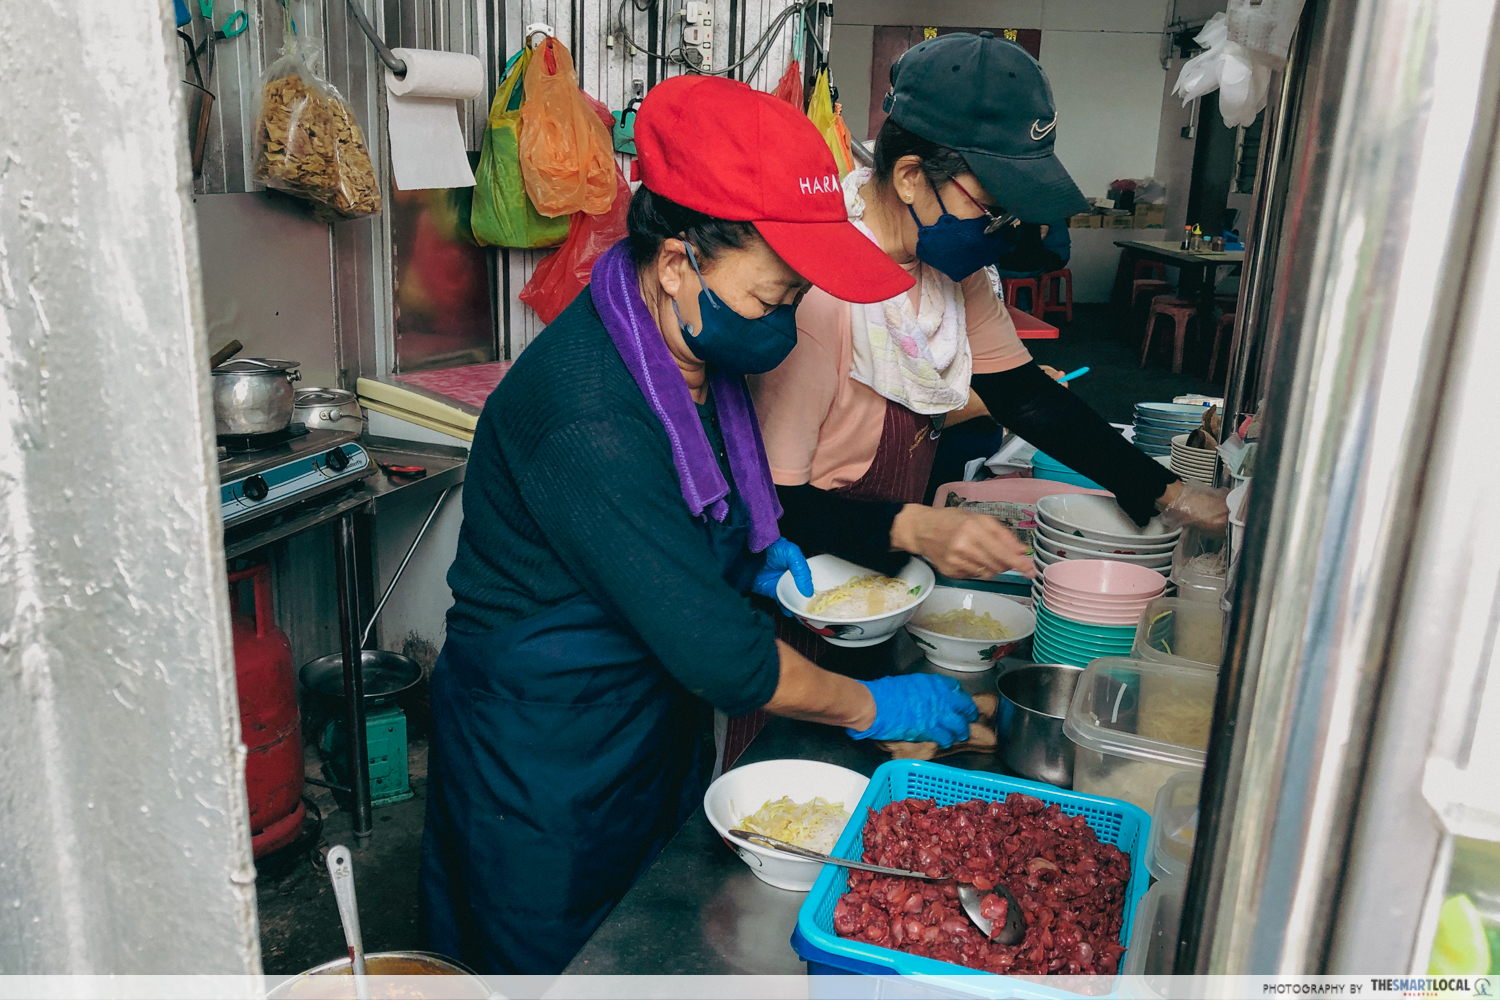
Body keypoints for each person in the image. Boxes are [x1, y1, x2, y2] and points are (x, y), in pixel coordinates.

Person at [419, 75, 979, 975]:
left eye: (797, 301)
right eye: (772, 299)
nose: (784, 328)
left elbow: (702, 512)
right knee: (550, 957)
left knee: (649, 930)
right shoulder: (588, 415)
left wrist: (750, 557)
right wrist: (875, 705)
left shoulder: (688, 344)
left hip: (646, 716)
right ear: (678, 262)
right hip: (545, 745)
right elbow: (728, 661)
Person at [750, 32, 1227, 606]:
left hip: (882, 561)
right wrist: (913, 529)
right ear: (909, 177)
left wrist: (1163, 490)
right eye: (991, 206)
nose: (1002, 229)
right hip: (808, 577)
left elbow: (1024, 396)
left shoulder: (950, 273)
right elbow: (776, 502)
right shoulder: (822, 293)